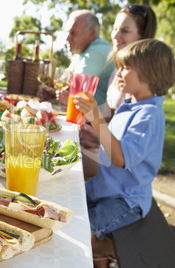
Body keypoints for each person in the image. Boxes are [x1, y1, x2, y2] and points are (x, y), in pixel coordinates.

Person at [74, 39, 175, 268]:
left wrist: (97, 119)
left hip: (124, 200)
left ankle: (121, 248)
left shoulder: (149, 115)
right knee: (70, 214)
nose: (118, 72)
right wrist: (96, 138)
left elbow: (121, 158)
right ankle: (99, 258)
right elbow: (114, 146)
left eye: (125, 67)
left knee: (81, 232)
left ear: (150, 73)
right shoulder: (130, 106)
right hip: (105, 189)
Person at [80, 4, 157, 178]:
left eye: (125, 30)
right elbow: (109, 117)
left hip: (118, 172)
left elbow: (125, 148)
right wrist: (91, 127)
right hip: (106, 154)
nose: (115, 35)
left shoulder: (140, 86)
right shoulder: (118, 71)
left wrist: (98, 133)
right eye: (115, 29)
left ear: (142, 36)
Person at [38, 10, 114, 108]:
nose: (67, 38)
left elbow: (76, 91)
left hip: (94, 121)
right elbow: (65, 81)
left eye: (73, 33)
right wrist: (53, 93)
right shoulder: (83, 52)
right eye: (67, 33)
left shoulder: (96, 52)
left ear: (91, 33)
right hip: (86, 116)